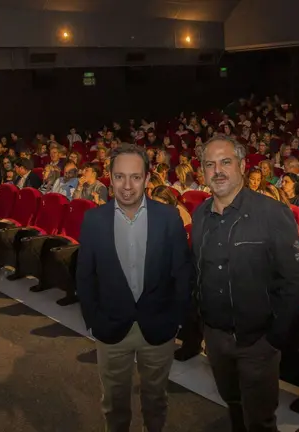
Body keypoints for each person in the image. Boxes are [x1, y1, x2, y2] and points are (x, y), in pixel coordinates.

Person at [191, 135, 299, 432]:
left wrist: (274, 338)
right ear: (203, 172)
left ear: (242, 166)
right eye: (210, 164)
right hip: (216, 339)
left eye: (225, 162)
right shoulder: (200, 215)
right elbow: (199, 272)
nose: (217, 170)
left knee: (260, 419)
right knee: (232, 404)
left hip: (257, 342)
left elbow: (296, 280)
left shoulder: (273, 213)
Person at [76, 144, 191, 432]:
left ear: (147, 178)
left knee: (155, 401)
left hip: (159, 329)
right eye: (119, 177)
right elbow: (85, 276)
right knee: (114, 403)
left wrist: (176, 321)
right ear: (110, 177)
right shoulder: (93, 220)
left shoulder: (168, 217)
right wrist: (94, 322)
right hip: (111, 330)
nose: (127, 186)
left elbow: (182, 273)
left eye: (135, 177)